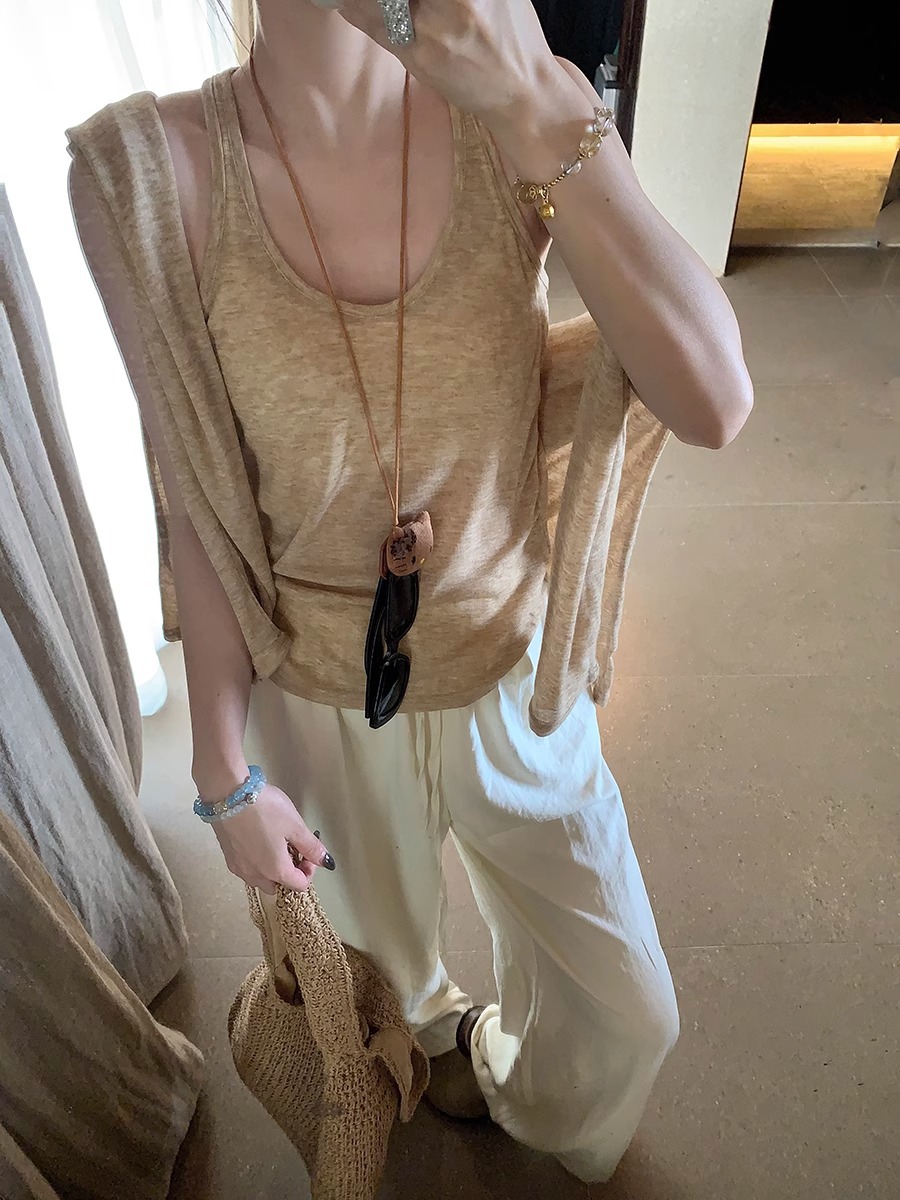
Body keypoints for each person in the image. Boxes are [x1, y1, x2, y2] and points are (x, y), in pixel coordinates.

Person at [69, 0, 753, 1183]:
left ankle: (510, 1077)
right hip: (318, 698)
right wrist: (222, 771)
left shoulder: (510, 114)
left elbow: (714, 400)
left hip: (511, 668)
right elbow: (198, 502)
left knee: (627, 1013)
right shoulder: (145, 172)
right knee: (377, 981)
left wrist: (538, 106)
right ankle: (434, 1035)